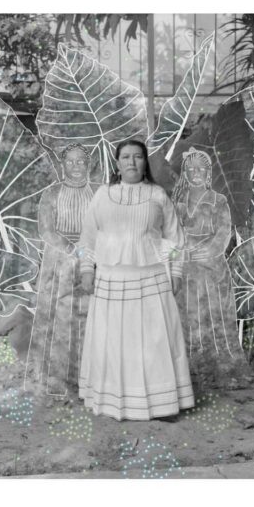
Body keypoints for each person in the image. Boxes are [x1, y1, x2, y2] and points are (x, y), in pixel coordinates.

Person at [76, 139, 194, 420]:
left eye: (138, 157)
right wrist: (86, 269)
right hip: (110, 279)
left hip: (150, 278)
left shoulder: (157, 196)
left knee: (153, 343)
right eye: (126, 157)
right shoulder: (102, 195)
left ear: (145, 163)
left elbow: (175, 238)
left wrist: (175, 273)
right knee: (113, 341)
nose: (132, 162)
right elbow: (87, 237)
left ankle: (162, 404)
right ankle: (112, 401)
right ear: (117, 163)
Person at [172, 147, 252, 390]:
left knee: (213, 318)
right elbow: (172, 234)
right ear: (185, 172)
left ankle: (222, 369)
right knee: (187, 318)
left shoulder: (219, 201)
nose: (196, 173)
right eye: (191, 168)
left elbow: (223, 232)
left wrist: (208, 251)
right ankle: (189, 371)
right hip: (186, 270)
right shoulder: (178, 203)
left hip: (212, 268)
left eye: (201, 168)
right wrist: (184, 251)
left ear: (209, 173)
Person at [25, 143, 95, 397]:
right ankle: (57, 378)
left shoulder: (99, 192)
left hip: (92, 258)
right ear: (62, 165)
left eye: (81, 162)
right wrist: (71, 248)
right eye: (70, 162)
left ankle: (91, 378)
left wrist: (89, 251)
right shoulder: (51, 194)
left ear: (89, 164)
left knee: (91, 315)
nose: (76, 167)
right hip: (60, 261)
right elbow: (46, 229)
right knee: (61, 318)